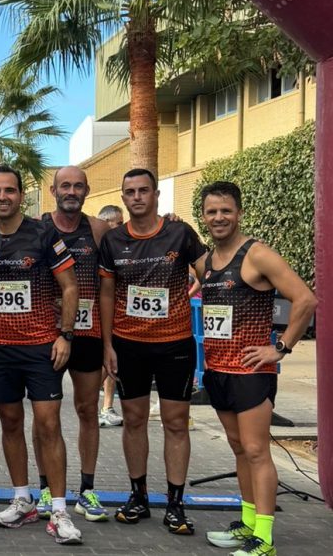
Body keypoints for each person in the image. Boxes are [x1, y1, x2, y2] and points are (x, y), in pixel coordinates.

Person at [197, 182, 315, 556]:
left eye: (226, 211)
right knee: (238, 449)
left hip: (251, 372)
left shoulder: (258, 254)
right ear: (203, 216)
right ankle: (248, 525)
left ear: (239, 213)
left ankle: (264, 538)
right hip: (217, 371)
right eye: (212, 211)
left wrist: (281, 347)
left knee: (256, 450)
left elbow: (305, 299)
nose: (219, 218)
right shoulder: (207, 261)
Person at [0, 166, 83, 546]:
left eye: (9, 190)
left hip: (41, 346)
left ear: (21, 195)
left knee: (48, 425)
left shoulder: (43, 233)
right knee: (9, 423)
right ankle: (23, 498)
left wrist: (65, 336)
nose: (2, 196)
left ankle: (59, 509)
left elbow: (70, 286)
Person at [99, 168, 207, 535]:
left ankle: (175, 504)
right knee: (133, 421)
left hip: (174, 344)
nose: (137, 197)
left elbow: (210, 271)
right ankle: (138, 495)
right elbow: (108, 294)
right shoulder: (113, 240)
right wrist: (108, 345)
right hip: (129, 345)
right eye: (130, 191)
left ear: (156, 194)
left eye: (144, 190)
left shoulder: (180, 232)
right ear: (124, 196)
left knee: (176, 423)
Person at [31, 167, 113, 522]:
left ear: (87, 190)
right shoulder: (37, 227)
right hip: (46, 332)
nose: (71, 191)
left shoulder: (98, 230)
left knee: (87, 411)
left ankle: (88, 489)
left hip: (88, 332)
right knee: (43, 416)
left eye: (78, 185)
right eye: (65, 185)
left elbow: (112, 280)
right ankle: (47, 488)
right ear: (53, 190)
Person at [96, 205, 125, 428]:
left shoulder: (124, 246)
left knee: (112, 360)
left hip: (120, 314)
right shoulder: (95, 246)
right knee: (106, 361)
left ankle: (107, 407)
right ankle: (93, 401)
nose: (122, 228)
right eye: (118, 223)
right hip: (97, 314)